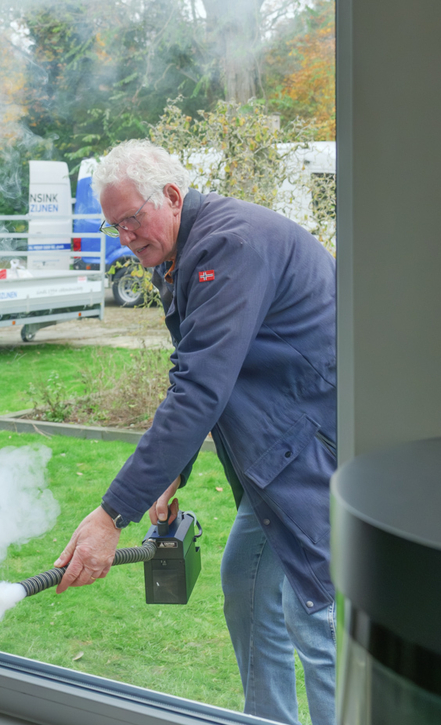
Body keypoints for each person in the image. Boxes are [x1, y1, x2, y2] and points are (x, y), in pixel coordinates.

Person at [53, 139, 336, 725]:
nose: (126, 238)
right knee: (246, 584)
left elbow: (201, 388)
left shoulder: (227, 247)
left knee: (316, 616)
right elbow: (202, 375)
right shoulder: (184, 254)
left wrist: (111, 516)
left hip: (310, 449)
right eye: (115, 228)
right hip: (279, 452)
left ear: (173, 196)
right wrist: (173, 471)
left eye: (131, 219)